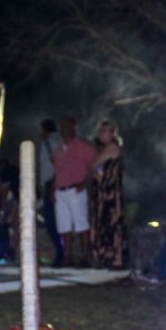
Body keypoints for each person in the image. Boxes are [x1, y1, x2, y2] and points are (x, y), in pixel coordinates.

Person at [52, 115, 96, 267]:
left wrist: (85, 182)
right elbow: (57, 170)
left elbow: (96, 163)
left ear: (74, 128)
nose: (64, 129)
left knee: (81, 224)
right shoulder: (58, 148)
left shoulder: (82, 146)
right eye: (62, 127)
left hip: (75, 189)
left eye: (67, 126)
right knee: (64, 226)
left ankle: (85, 257)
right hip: (60, 190)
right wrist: (53, 188)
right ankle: (68, 257)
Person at [89, 120, 129, 269]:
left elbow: (94, 165)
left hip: (111, 193)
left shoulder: (112, 148)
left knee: (112, 223)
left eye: (104, 131)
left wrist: (94, 171)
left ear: (112, 133)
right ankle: (107, 256)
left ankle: (116, 257)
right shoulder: (104, 149)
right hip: (103, 191)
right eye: (100, 131)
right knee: (104, 224)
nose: (100, 134)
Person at [39, 119, 64, 267]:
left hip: (52, 183)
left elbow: (57, 164)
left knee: (51, 220)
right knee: (51, 220)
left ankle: (60, 253)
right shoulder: (49, 142)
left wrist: (53, 185)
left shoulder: (50, 142)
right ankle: (60, 252)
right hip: (49, 183)